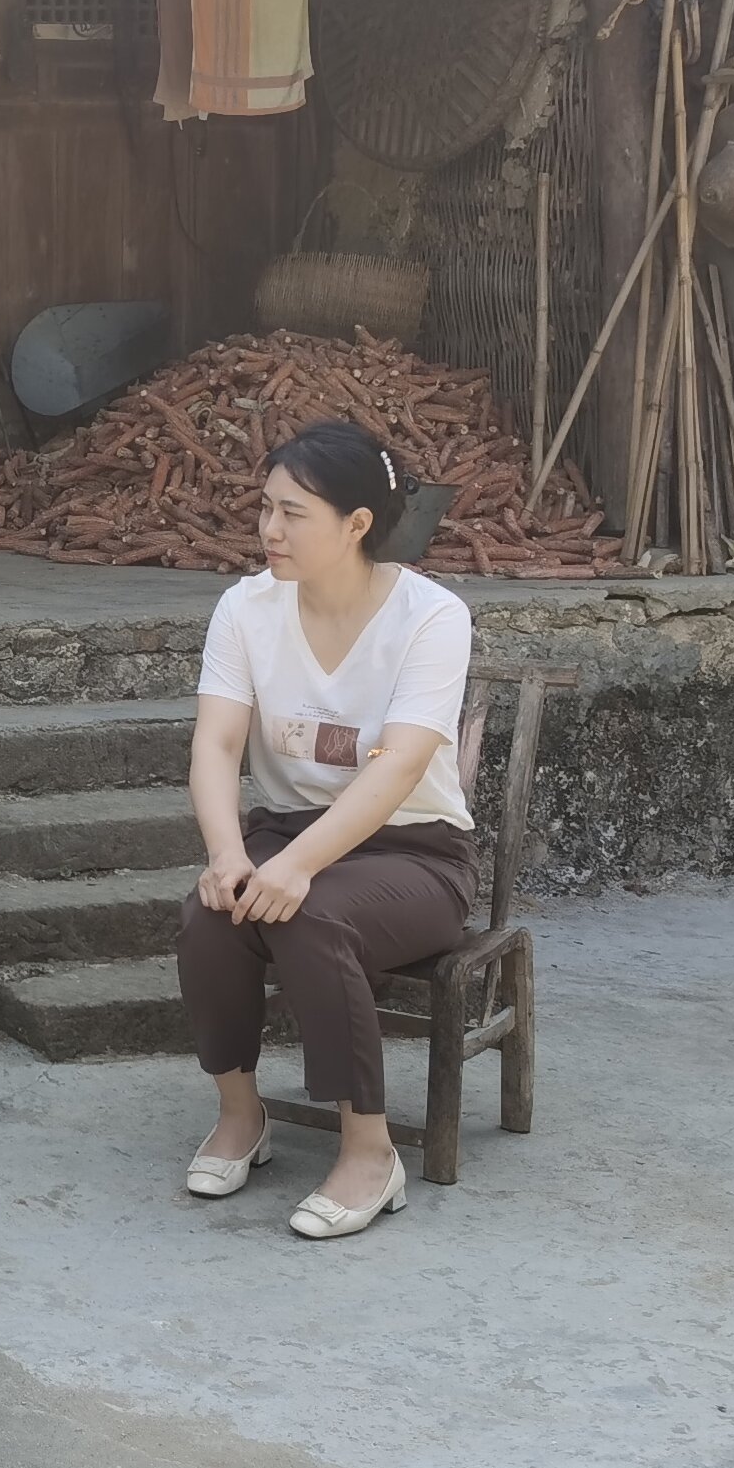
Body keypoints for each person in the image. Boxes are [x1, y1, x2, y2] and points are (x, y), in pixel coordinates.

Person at [174, 420, 477, 1242]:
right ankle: (241, 1116)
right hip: (282, 833)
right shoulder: (246, 608)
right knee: (211, 914)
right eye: (265, 508)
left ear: (356, 524)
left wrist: (299, 866)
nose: (269, 529)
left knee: (306, 914)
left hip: (416, 852)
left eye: (293, 513)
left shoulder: (431, 617)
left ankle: (369, 1152)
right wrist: (227, 856)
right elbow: (216, 743)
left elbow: (399, 766)